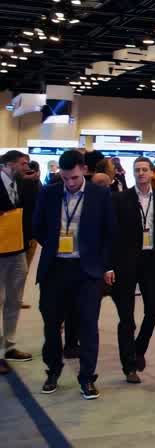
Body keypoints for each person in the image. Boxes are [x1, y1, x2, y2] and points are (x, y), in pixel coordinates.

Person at [33, 149, 116, 399]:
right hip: (55, 269)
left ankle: (87, 378)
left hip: (87, 270)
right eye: (66, 178)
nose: (70, 183)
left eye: (74, 178)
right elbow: (37, 226)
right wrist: (53, 244)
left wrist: (104, 265)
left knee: (88, 325)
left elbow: (110, 231)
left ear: (84, 170)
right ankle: (53, 371)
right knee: (51, 324)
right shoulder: (48, 192)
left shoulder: (100, 194)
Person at [109, 157, 155, 383]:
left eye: (144, 170)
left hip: (152, 260)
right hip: (127, 262)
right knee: (127, 317)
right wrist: (109, 265)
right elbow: (113, 235)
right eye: (137, 170)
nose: (140, 173)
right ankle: (129, 366)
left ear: (152, 173)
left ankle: (139, 348)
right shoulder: (121, 199)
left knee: (153, 310)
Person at [0, 150, 37, 373]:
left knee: (15, 299)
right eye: (23, 164)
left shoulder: (22, 184)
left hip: (18, 249)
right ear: (9, 164)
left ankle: (10, 346)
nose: (27, 167)